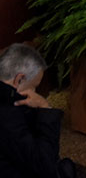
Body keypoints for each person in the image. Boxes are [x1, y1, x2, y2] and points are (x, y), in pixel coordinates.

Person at [0, 44, 76, 178]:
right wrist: (45, 108)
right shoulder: (9, 112)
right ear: (19, 79)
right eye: (34, 87)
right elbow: (44, 166)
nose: (35, 93)